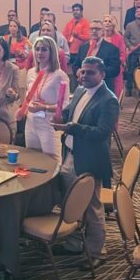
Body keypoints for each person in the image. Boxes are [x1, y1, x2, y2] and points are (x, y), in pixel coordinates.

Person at [51, 56, 117, 263]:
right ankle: (74, 245)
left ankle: (97, 252)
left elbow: (102, 133)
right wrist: (54, 113)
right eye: (82, 72)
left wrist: (72, 127)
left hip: (90, 160)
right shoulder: (79, 90)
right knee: (69, 203)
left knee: (92, 208)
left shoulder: (109, 100)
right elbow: (69, 113)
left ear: (102, 75)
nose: (85, 76)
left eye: (91, 72)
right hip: (70, 154)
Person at [24, 36, 70, 161]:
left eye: (44, 49)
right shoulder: (31, 72)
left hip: (48, 124)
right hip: (31, 122)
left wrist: (44, 107)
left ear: (52, 52)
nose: (39, 53)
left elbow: (65, 106)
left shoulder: (59, 75)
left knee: (52, 161)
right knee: (32, 159)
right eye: (37, 49)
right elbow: (28, 98)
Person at [79, 21, 120, 93]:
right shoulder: (83, 48)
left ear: (103, 31)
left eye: (97, 29)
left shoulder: (112, 48)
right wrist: (77, 71)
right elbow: (76, 65)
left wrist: (98, 73)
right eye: (92, 29)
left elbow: (115, 69)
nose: (94, 31)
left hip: (103, 88)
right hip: (84, 88)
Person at [100, 15, 127, 97]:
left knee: (115, 90)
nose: (107, 23)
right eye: (105, 21)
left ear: (113, 25)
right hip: (101, 68)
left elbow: (123, 54)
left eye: (109, 21)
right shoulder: (99, 37)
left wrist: (115, 62)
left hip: (114, 68)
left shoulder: (119, 38)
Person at [63, 3, 90, 74]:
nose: (75, 12)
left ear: (81, 11)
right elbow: (64, 36)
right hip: (69, 52)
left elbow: (88, 37)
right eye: (74, 10)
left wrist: (78, 36)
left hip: (79, 52)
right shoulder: (69, 23)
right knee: (69, 72)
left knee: (79, 72)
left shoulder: (86, 23)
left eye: (77, 10)